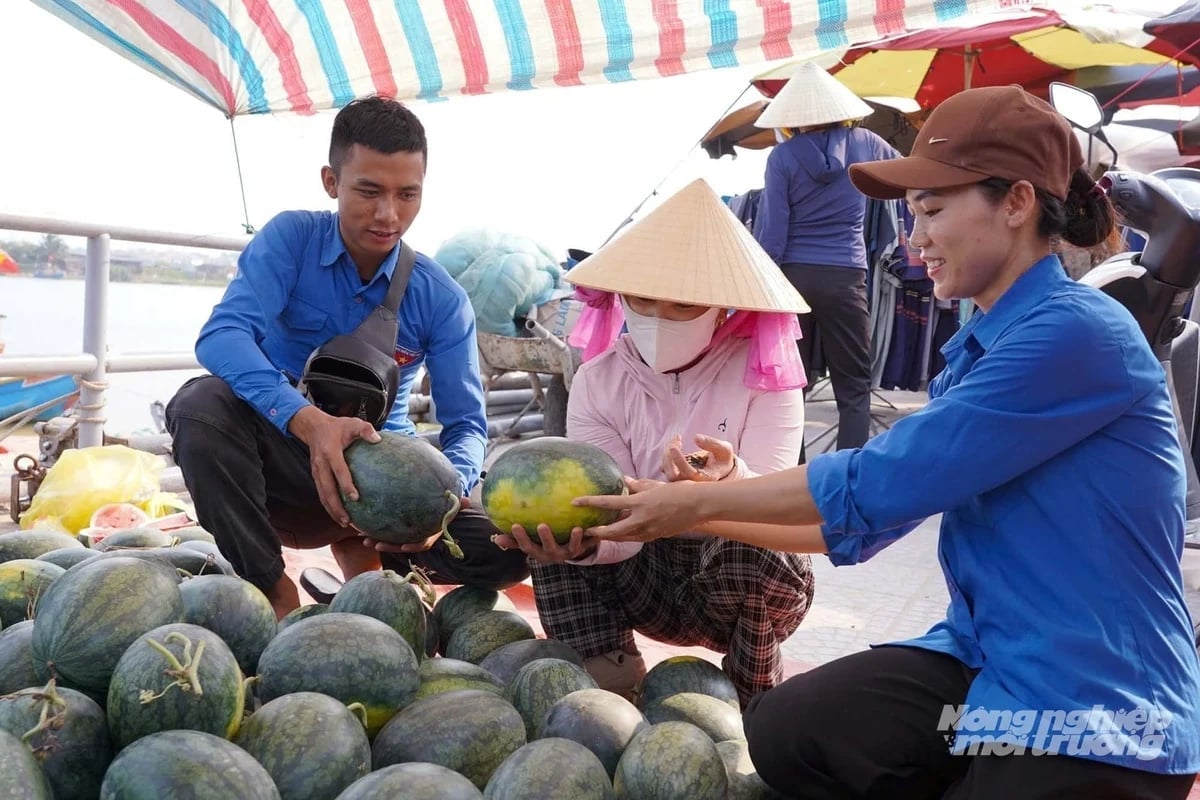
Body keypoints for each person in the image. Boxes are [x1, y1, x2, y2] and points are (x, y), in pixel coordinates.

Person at [575, 87, 1200, 798]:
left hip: (1097, 703)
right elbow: (860, 524)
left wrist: (685, 508)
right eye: (911, 217)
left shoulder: (1077, 333)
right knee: (789, 728)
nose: (915, 240)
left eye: (932, 211)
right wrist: (695, 503)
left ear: (1018, 203)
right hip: (986, 667)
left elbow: (876, 479)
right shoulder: (979, 352)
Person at [166, 96, 528, 619]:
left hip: (383, 488)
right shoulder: (291, 240)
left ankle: (367, 561)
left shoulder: (441, 298)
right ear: (331, 182)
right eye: (369, 191)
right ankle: (274, 591)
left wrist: (442, 499)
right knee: (200, 407)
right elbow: (222, 336)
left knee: (504, 551)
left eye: (408, 195)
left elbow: (467, 426)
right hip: (287, 470)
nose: (389, 214)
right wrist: (308, 422)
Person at [492, 178, 817, 704]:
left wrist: (729, 483)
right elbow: (616, 523)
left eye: (684, 306)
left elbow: (779, 512)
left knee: (755, 550)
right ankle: (607, 683)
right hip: (641, 574)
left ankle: (753, 699)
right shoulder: (598, 380)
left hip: (731, 578)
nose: (660, 318)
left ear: (722, 307)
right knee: (559, 526)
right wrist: (582, 545)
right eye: (643, 300)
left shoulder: (766, 379)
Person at [753, 62, 900, 451]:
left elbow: (773, 232)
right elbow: (905, 178)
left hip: (793, 278)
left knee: (791, 383)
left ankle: (791, 472)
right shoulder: (867, 143)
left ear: (792, 118)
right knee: (853, 385)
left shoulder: (781, 159)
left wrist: (764, 291)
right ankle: (847, 471)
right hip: (846, 276)